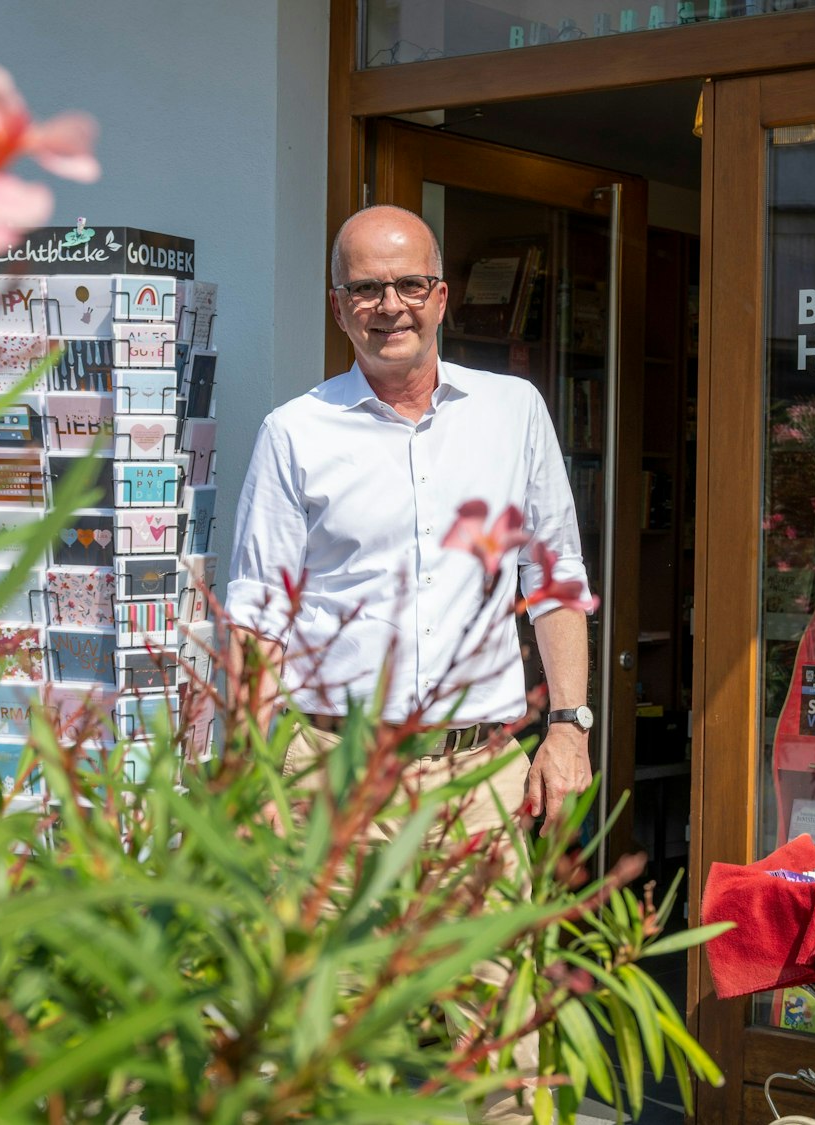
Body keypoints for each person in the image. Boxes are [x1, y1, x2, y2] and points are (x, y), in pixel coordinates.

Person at [226, 204, 596, 1121]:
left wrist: (569, 728)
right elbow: (259, 616)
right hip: (333, 773)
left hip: (479, 775)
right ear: (337, 306)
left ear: (440, 294)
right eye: (365, 288)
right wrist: (248, 773)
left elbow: (554, 576)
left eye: (407, 284)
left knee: (496, 1038)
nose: (388, 304)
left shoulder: (513, 412)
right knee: (326, 1037)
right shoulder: (294, 432)